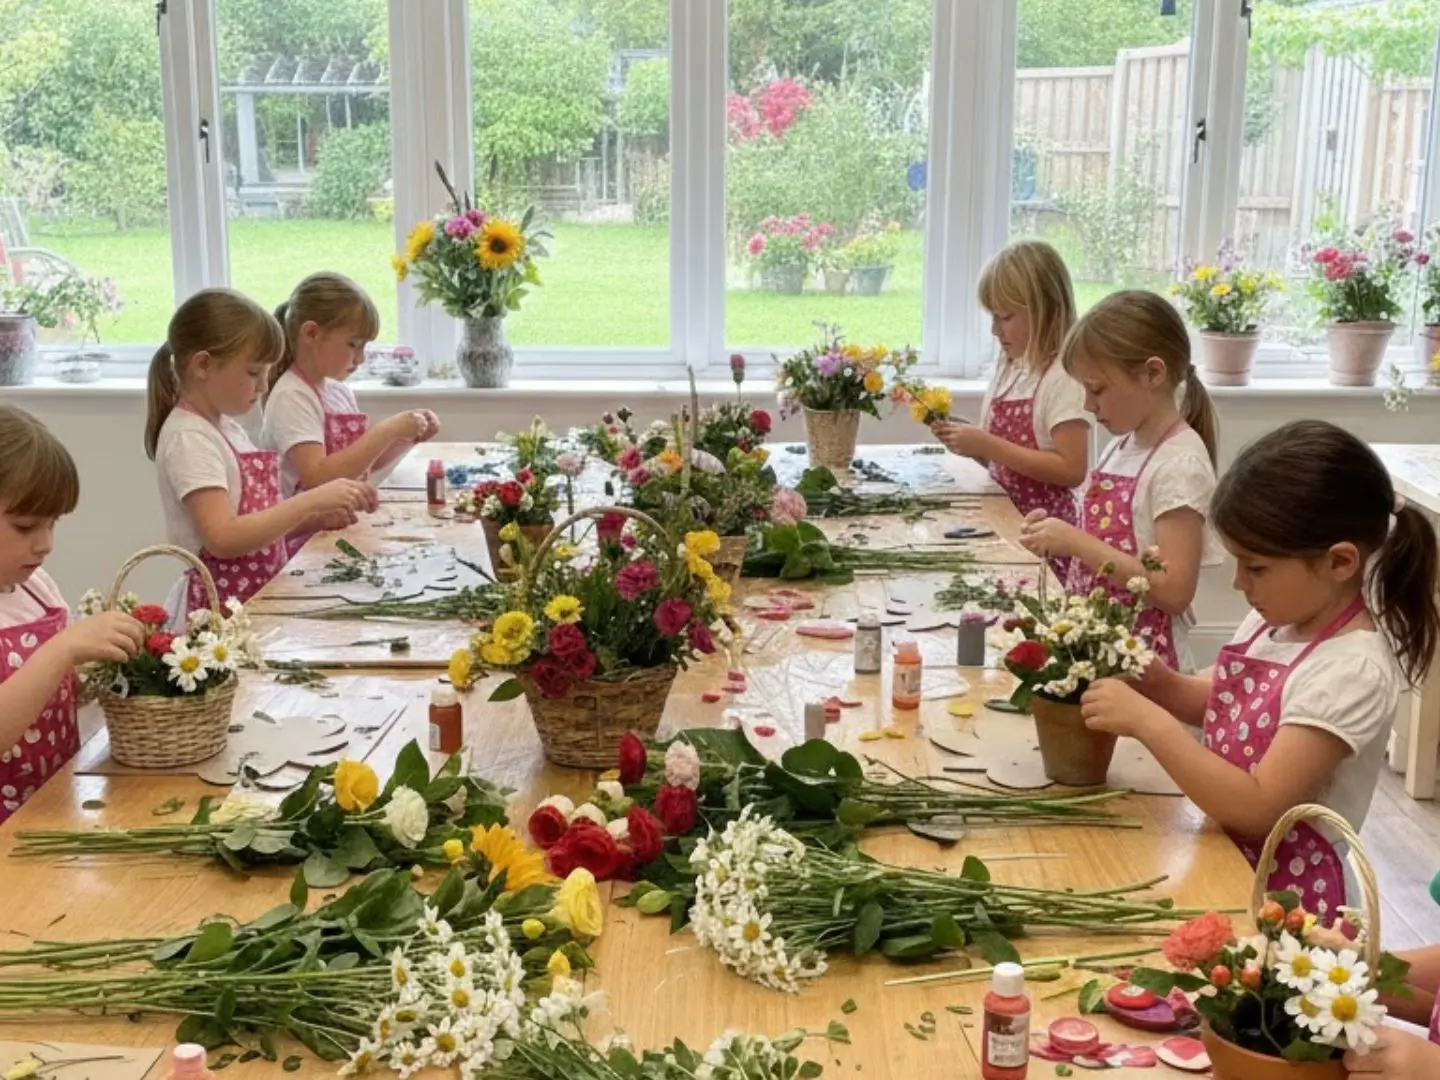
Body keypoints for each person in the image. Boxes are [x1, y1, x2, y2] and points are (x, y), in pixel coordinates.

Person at [1081, 420, 1439, 918]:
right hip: (1229, 863)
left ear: (1339, 562)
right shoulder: (1277, 619)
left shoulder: (1350, 671)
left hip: (1291, 909)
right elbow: (1221, 704)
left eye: (1255, 567)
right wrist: (1158, 683)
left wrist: (1149, 723)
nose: (1238, 583)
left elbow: (1257, 808)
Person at [145, 288, 377, 624]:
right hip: (220, 615)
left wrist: (314, 519)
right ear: (203, 365)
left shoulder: (225, 427)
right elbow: (224, 538)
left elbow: (257, 522)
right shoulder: (189, 439)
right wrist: (310, 502)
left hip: (253, 601)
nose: (264, 386)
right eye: (254, 372)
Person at [1020, 290, 1222, 671]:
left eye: (1096, 389)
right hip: (1103, 652)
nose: (1087, 404)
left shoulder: (1179, 464)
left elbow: (1174, 591)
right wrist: (1056, 538)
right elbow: (1109, 548)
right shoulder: (1123, 446)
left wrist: (1077, 543)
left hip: (1150, 667)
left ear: (1152, 373)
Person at [0, 405, 142, 823]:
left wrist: (95, 678)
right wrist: (61, 651)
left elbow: (53, 694)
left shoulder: (35, 588)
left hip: (47, 806)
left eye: (53, 523)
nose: (46, 544)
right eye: (26, 527)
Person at [930, 240, 1089, 581]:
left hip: (1043, 533)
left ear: (1045, 309)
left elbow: (1071, 468)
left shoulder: (1063, 377)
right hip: (1004, 520)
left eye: (1005, 317)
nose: (995, 330)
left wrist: (987, 445)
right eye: (992, 317)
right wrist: (969, 445)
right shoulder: (1011, 367)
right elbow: (1003, 462)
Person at [261, 272, 438, 518]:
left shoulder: (338, 392)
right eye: (353, 344)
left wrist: (406, 436)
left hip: (336, 523)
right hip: (303, 536)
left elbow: (364, 463)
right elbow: (317, 476)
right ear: (311, 333)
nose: (361, 358)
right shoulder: (291, 396)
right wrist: (387, 430)